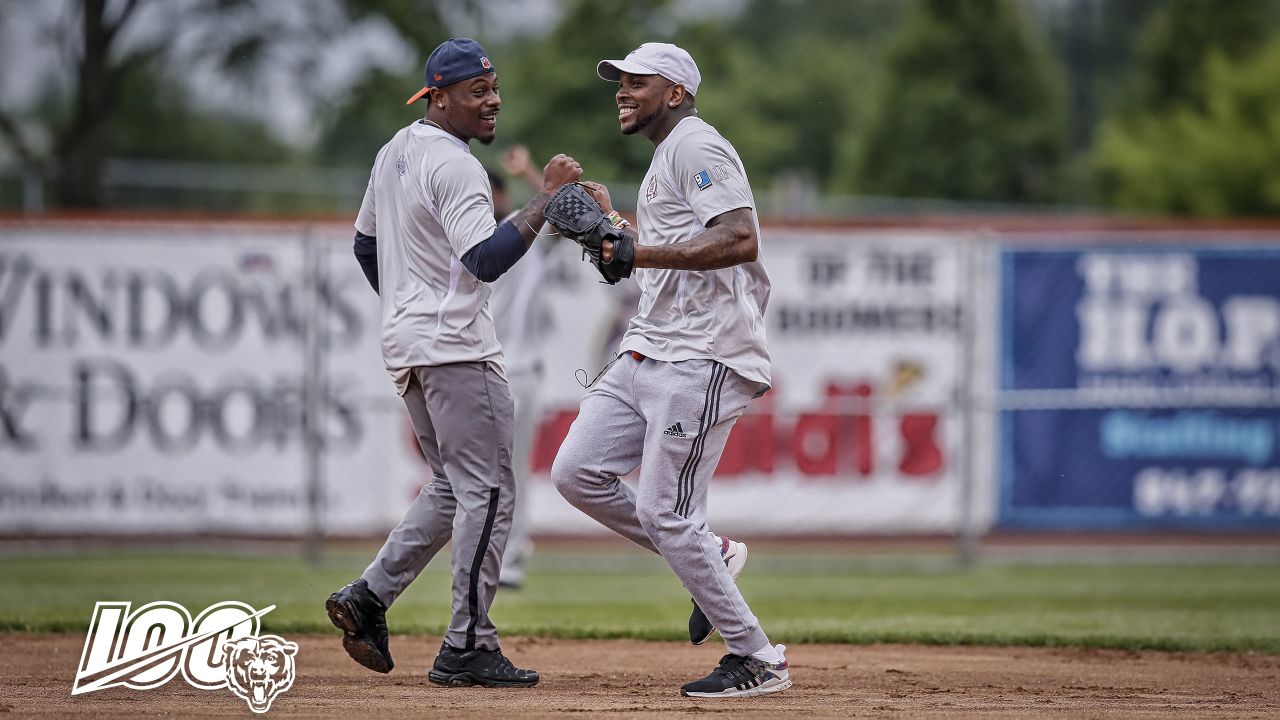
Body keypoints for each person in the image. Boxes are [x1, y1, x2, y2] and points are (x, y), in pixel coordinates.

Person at [326, 37, 582, 688]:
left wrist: (405, 305)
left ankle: (368, 597)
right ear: (438, 98)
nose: (492, 100)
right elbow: (483, 259)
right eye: (477, 91)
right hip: (457, 349)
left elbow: (364, 246)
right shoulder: (457, 165)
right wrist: (545, 199)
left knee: (452, 486)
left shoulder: (395, 151)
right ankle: (468, 642)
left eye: (494, 88)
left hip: (410, 347)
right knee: (490, 494)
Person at [550, 42, 791, 698]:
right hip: (649, 346)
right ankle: (712, 556)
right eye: (619, 82)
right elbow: (652, 254)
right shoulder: (665, 159)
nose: (623, 91)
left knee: (665, 511)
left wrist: (637, 250)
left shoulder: (696, 145)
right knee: (577, 473)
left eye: (638, 82)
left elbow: (740, 238)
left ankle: (758, 657)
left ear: (676, 93)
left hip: (704, 353)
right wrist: (612, 229)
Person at [488, 146, 554, 589]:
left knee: (509, 472)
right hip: (479, 365)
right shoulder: (462, 237)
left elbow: (565, 212)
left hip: (519, 369)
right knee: (478, 473)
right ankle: (491, 557)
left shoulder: (522, 234)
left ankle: (509, 559)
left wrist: (532, 172)